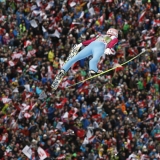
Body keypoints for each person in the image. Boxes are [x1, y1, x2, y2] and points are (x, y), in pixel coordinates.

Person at [51, 28, 119, 90]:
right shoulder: (114, 37)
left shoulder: (101, 36)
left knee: (75, 58)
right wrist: (108, 48)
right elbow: (112, 42)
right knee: (95, 58)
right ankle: (92, 70)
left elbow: (91, 40)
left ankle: (63, 69)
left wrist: (81, 44)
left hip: (92, 45)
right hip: (100, 46)